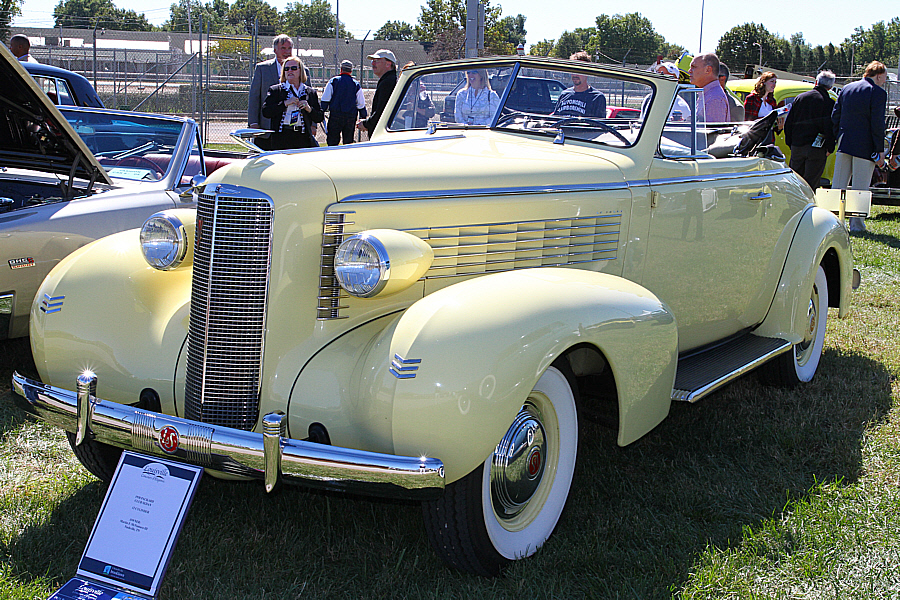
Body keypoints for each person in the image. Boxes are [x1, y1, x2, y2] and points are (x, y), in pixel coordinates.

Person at [831, 60, 888, 232]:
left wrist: (838, 136)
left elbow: (835, 115)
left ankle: (833, 221)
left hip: (844, 141)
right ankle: (856, 225)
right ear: (878, 76)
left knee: (838, 184)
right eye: (884, 78)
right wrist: (879, 149)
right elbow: (877, 123)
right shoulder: (877, 92)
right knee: (860, 186)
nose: (884, 81)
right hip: (865, 145)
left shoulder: (847, 88)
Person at [249, 34, 313, 150]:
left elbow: (310, 99)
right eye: (283, 48)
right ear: (275, 50)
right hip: (267, 128)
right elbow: (254, 98)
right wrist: (253, 122)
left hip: (296, 132)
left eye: (289, 48)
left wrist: (313, 125)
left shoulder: (303, 70)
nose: (287, 51)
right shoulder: (262, 69)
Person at [783, 70, 836, 191]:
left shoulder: (800, 98)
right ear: (830, 86)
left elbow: (789, 123)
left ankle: (794, 203)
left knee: (795, 178)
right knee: (811, 181)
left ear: (816, 82)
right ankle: (808, 204)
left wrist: (790, 142)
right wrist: (830, 147)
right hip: (816, 148)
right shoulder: (828, 103)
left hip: (797, 145)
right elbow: (829, 127)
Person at [261, 57, 324, 150]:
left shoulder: (309, 92)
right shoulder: (276, 90)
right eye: (286, 69)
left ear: (300, 71)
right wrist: (284, 103)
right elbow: (266, 111)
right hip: (282, 137)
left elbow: (319, 117)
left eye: (293, 68)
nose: (290, 71)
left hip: (303, 137)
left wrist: (309, 109)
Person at [321, 59, 367, 146]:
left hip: (335, 116)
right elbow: (361, 104)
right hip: (350, 117)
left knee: (332, 142)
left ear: (341, 69)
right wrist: (363, 116)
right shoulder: (355, 84)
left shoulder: (333, 81)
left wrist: (320, 112)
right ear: (351, 70)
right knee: (348, 142)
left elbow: (325, 99)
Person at [357, 49, 398, 137]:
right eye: (373, 61)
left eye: (376, 61)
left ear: (388, 64)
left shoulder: (388, 82)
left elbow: (382, 112)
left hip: (383, 136)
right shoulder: (388, 80)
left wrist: (366, 124)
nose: (373, 64)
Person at [553, 51, 606, 118]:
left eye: (579, 70)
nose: (575, 74)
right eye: (573, 70)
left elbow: (598, 126)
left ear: (588, 71)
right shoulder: (564, 95)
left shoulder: (597, 98)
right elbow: (555, 120)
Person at [688, 53, 729, 122]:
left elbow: (713, 132)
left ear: (708, 70)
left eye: (693, 67)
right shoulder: (708, 94)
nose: (689, 71)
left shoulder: (715, 98)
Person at [398, 63, 436, 128]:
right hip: (400, 125)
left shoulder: (422, 92)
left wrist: (416, 109)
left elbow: (431, 112)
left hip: (419, 126)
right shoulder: (399, 91)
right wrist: (406, 107)